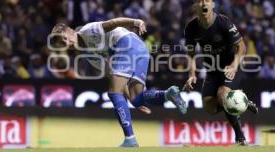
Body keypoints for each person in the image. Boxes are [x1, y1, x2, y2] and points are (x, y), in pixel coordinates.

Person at [50, 17, 187, 147]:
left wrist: (135, 22)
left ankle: (130, 139)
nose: (67, 44)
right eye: (62, 44)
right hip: (141, 50)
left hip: (126, 43)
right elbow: (112, 75)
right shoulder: (89, 56)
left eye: (65, 39)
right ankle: (169, 94)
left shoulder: (87, 30)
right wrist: (132, 100)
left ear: (71, 31)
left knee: (113, 93)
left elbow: (113, 22)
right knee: (136, 99)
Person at [183, 0, 258, 145]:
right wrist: (192, 74)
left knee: (223, 94)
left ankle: (240, 138)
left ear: (213, 4)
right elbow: (190, 53)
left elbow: (242, 47)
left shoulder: (224, 22)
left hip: (230, 67)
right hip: (212, 71)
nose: (203, 3)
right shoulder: (191, 28)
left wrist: (234, 65)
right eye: (199, 0)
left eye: (207, 0)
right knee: (210, 108)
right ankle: (241, 101)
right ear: (195, 6)